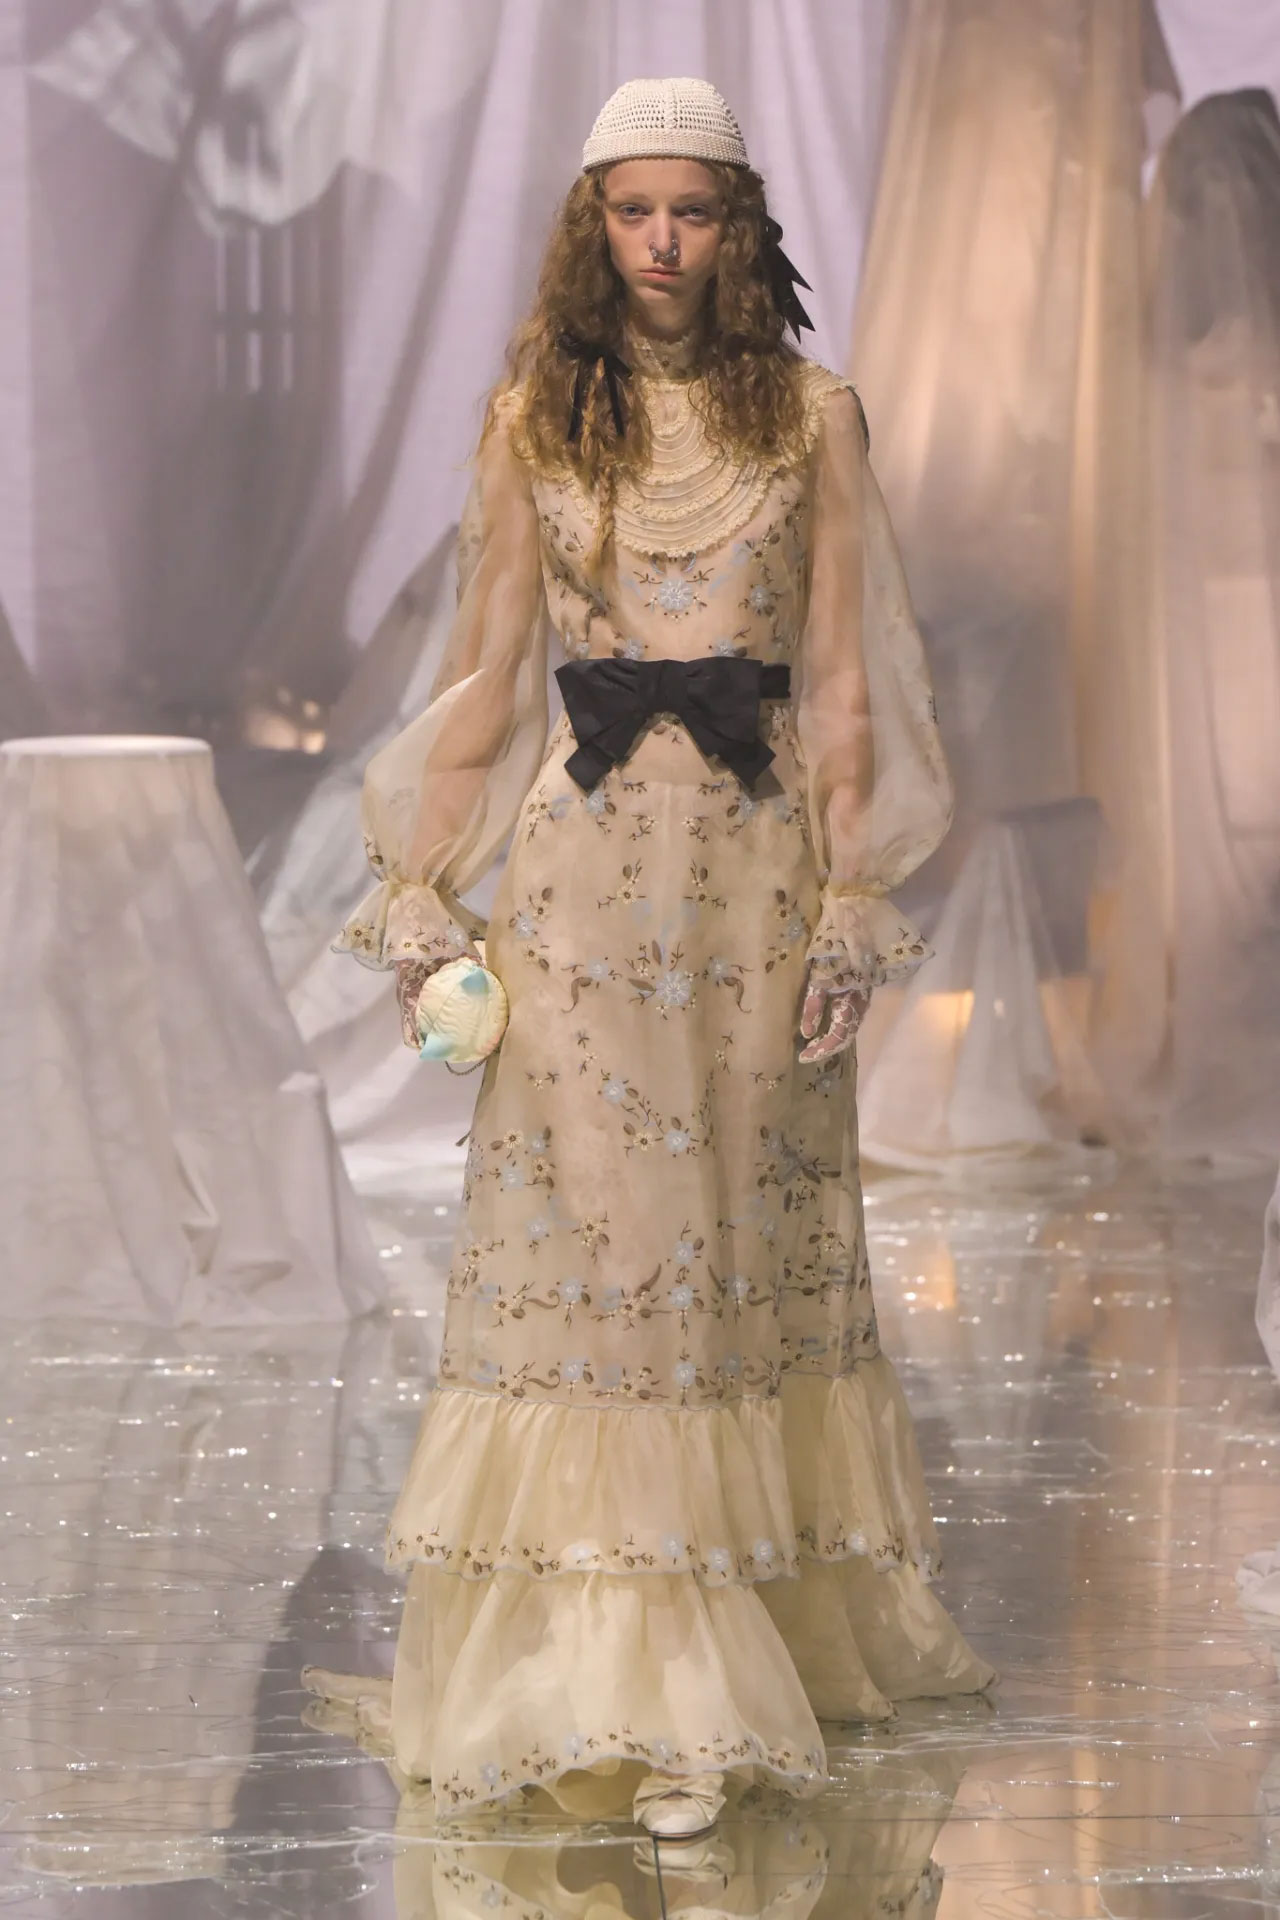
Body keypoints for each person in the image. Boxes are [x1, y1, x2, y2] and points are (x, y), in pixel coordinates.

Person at [305, 75, 995, 1842]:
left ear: (739, 227)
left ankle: (732, 1653)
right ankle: (642, 1685)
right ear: (593, 225)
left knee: (729, 1262)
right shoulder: (535, 417)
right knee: (610, 1275)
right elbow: (481, 676)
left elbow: (846, 686)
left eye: (693, 210)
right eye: (634, 210)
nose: (664, 242)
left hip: (756, 885)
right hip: (584, 894)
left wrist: (855, 899)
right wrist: (421, 894)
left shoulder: (814, 417)